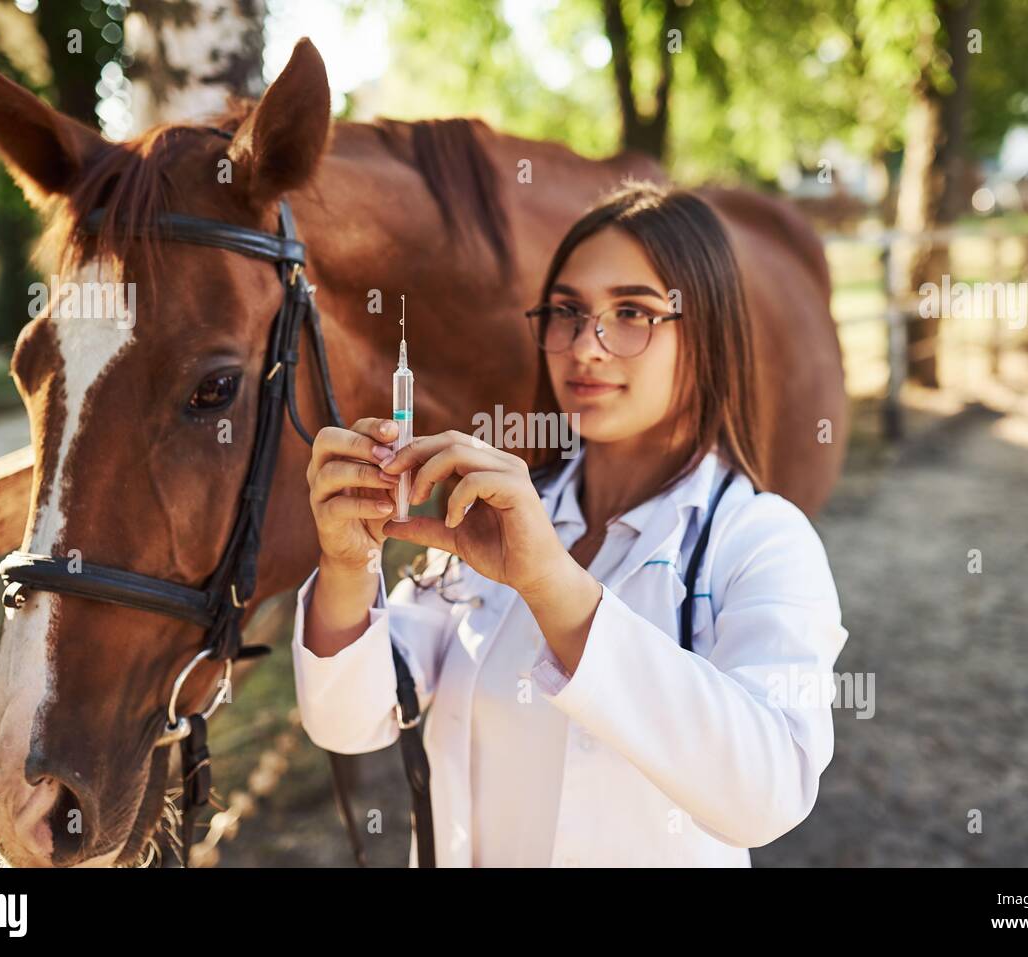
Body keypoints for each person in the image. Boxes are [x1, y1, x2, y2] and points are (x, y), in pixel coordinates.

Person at [291, 181, 848, 867]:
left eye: (632, 312)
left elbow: (767, 792)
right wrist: (348, 566)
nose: (586, 345)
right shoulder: (495, 511)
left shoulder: (761, 541)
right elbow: (351, 717)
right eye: (567, 312)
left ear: (707, 333)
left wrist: (552, 584)